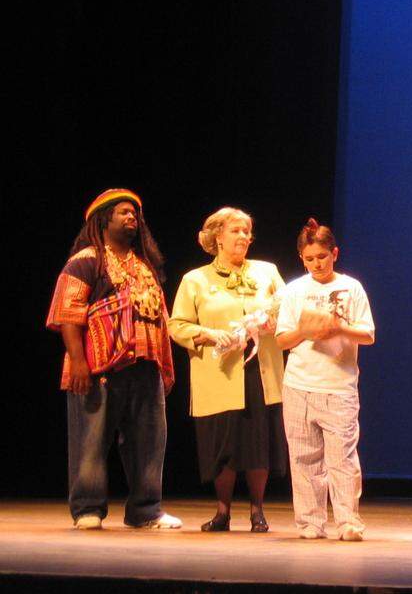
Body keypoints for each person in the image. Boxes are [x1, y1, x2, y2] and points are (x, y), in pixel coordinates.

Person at [45, 188, 181, 530]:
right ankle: (88, 507)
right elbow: (67, 314)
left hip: (144, 366)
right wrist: (78, 362)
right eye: (123, 212)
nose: (131, 217)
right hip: (99, 366)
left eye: (135, 213)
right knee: (90, 439)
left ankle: (145, 510)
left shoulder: (143, 265)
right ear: (104, 219)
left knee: (149, 441)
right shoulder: (87, 260)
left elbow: (158, 316)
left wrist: (163, 364)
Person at [169, 207, 287, 533]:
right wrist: (207, 334)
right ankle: (222, 511)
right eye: (237, 230)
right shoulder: (195, 280)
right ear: (217, 236)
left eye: (248, 231)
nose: (244, 237)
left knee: (257, 442)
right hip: (219, 372)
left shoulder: (267, 272)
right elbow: (176, 325)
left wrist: (273, 323)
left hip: (259, 371)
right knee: (223, 446)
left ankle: (258, 511)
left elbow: (290, 310)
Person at [276, 218, 375, 541]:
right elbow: (282, 340)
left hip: (338, 386)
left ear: (334, 253)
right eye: (309, 259)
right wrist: (306, 330)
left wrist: (338, 328)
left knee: (342, 458)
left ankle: (348, 521)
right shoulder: (294, 290)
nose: (317, 264)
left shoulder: (352, 287)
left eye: (322, 257)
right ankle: (310, 522)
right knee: (304, 458)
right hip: (299, 385)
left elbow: (368, 334)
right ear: (301, 259)